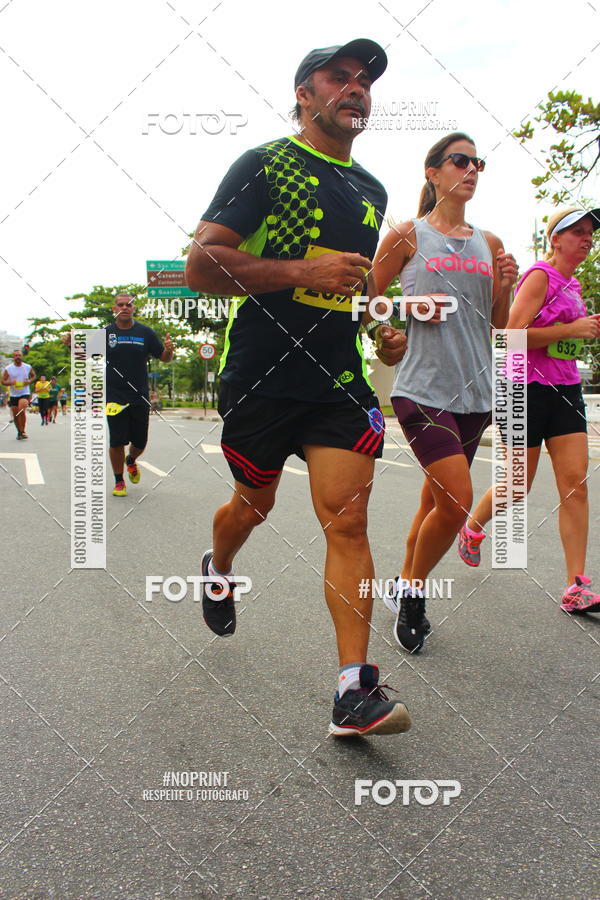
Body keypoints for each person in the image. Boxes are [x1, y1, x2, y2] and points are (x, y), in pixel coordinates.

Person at [186, 39, 410, 737]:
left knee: (348, 520)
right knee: (252, 506)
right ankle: (218, 566)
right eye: (337, 78)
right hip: (261, 375)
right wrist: (296, 274)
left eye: (363, 81)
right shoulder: (265, 164)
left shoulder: (372, 190)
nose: (355, 89)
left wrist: (381, 323)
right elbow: (201, 264)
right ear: (304, 95)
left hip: (336, 381)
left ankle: (353, 691)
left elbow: (355, 282)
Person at [373, 132, 518, 654]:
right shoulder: (407, 234)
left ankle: (399, 582)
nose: (472, 169)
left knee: (435, 500)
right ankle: (413, 594)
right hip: (422, 388)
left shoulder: (491, 242)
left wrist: (505, 284)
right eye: (461, 160)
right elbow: (363, 300)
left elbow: (500, 323)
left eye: (478, 162)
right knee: (456, 502)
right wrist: (409, 309)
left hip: (476, 393)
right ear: (433, 173)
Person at [460, 206, 600, 613]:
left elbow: (562, 340)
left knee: (575, 484)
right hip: (523, 391)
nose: (586, 238)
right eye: (577, 231)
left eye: (590, 232)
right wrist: (571, 330)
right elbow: (510, 337)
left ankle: (576, 585)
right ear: (555, 239)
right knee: (518, 484)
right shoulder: (540, 276)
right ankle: (472, 527)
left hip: (566, 390)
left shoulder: (573, 285)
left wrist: (583, 329)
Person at [62, 295, 174, 496]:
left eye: (128, 305)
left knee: (140, 443)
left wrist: (169, 350)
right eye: (120, 305)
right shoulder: (106, 333)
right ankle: (119, 481)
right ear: (115, 308)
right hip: (114, 395)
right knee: (116, 440)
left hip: (139, 394)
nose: (124, 307)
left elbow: (164, 358)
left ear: (133, 308)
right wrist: (71, 345)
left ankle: (131, 460)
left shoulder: (145, 332)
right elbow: (84, 355)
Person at [1, 350, 36, 439]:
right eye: (16, 355)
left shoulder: (27, 367)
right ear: (13, 357)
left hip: (24, 392)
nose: (18, 357)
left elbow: (33, 376)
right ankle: (19, 432)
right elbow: (3, 381)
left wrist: (29, 381)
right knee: (16, 414)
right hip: (14, 394)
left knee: (21, 410)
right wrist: (10, 382)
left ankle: (23, 431)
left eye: (19, 355)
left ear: (22, 357)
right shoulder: (8, 368)